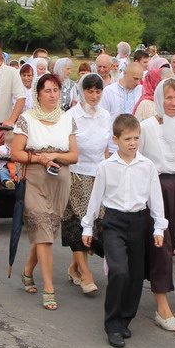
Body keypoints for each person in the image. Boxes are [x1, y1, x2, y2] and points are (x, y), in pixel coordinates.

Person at [83, 114, 167, 347]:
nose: (132, 143)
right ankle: (112, 324)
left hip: (139, 222)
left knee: (136, 275)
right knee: (119, 271)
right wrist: (87, 227)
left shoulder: (147, 166)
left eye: (136, 138)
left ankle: (125, 319)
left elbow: (156, 198)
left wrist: (159, 227)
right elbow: (96, 198)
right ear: (116, 140)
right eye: (127, 139)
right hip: (114, 222)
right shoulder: (106, 167)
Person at [12, 73, 78, 310]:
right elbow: (16, 152)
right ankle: (49, 288)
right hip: (35, 180)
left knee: (46, 233)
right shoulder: (26, 119)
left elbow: (74, 155)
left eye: (56, 90)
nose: (52, 95)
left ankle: (28, 270)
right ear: (38, 94)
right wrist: (40, 158)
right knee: (43, 230)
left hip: (60, 182)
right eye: (47, 90)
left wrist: (54, 155)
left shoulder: (67, 119)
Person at [139, 74, 175, 331]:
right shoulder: (147, 127)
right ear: (160, 98)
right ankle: (162, 306)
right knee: (162, 244)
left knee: (168, 246)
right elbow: (137, 162)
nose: (172, 103)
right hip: (154, 188)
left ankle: (154, 285)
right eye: (168, 97)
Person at [64, 74, 111, 295]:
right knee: (79, 224)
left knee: (96, 223)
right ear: (82, 91)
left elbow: (107, 149)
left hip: (99, 175)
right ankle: (86, 274)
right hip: (77, 174)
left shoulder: (106, 115)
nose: (93, 96)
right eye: (89, 91)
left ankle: (74, 268)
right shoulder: (71, 116)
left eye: (98, 91)